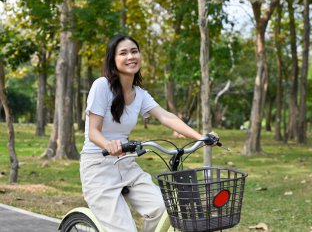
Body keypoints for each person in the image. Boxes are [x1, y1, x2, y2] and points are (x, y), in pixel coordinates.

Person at [80, 34, 214, 232]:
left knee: (164, 208)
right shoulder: (101, 86)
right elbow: (93, 132)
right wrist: (108, 144)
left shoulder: (140, 94)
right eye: (123, 53)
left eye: (134, 51)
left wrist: (200, 136)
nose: (130, 57)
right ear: (113, 60)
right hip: (97, 166)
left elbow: (165, 116)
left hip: (126, 164)